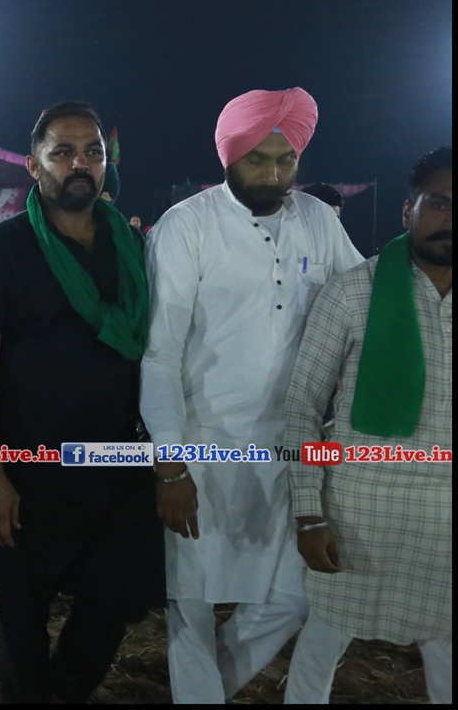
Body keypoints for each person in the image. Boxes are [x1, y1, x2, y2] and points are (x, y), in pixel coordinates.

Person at [140, 87, 364, 704]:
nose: (272, 175)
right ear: (229, 157)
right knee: (191, 603)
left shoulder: (317, 220)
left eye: (286, 161)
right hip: (201, 445)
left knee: (292, 597)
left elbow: (363, 299)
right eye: (257, 160)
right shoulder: (188, 225)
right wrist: (169, 465)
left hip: (289, 449)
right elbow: (159, 354)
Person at [0, 103, 164, 703]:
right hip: (28, 468)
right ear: (33, 165)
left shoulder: (133, 248)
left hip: (117, 466)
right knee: (23, 618)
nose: (80, 164)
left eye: (92, 152)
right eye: (63, 152)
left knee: (113, 602)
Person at [283, 146, 452, 705]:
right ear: (408, 210)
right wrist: (309, 514)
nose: (450, 219)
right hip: (359, 513)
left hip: (446, 523)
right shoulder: (353, 291)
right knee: (323, 640)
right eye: (439, 203)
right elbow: (303, 407)